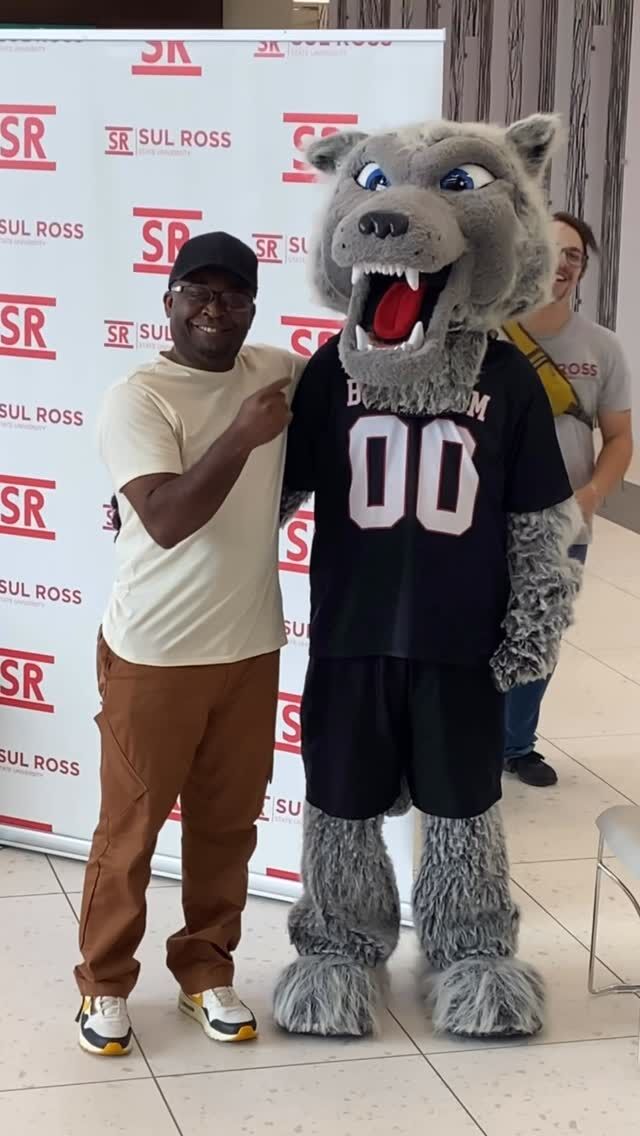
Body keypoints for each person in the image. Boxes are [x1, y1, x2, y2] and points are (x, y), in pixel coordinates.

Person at [74, 232, 305, 1055]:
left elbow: (361, 374)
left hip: (247, 646)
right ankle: (102, 985)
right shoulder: (138, 397)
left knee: (227, 823)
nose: (215, 308)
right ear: (168, 301)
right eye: (197, 292)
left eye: (233, 295)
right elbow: (167, 519)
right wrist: (242, 436)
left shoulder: (276, 369)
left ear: (251, 307)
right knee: (130, 829)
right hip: (154, 653)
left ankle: (206, 970)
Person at [501, 212, 633, 787]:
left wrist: (594, 494)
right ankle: (461, 740)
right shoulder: (484, 336)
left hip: (563, 523)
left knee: (537, 632)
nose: (561, 265)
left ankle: (515, 744)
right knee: (469, 631)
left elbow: (620, 435)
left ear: (582, 268)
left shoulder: (602, 347)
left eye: (574, 255)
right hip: (483, 519)